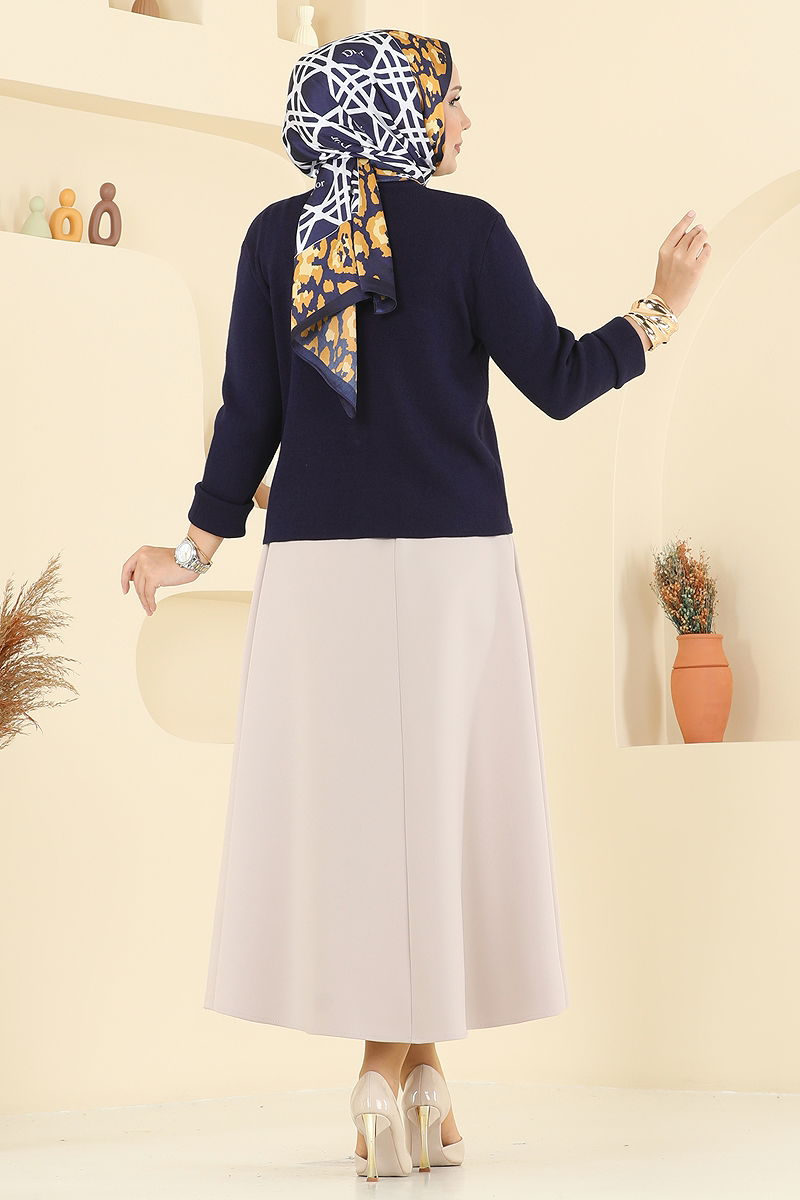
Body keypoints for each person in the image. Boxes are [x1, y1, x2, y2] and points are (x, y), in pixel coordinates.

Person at [120, 28, 711, 1181]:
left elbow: (250, 419)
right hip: (450, 569)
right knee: (434, 808)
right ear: (401, 111)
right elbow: (556, 379)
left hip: (318, 574)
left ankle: (418, 1076)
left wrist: (189, 551)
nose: (465, 121)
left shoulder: (276, 237)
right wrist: (660, 306)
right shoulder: (466, 231)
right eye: (451, 102)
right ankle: (383, 1070)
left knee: (361, 817)